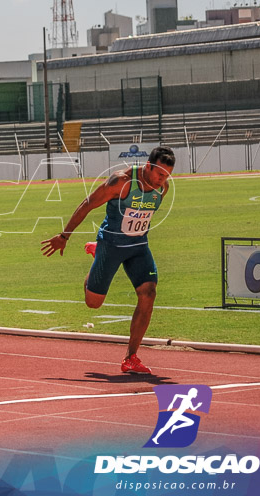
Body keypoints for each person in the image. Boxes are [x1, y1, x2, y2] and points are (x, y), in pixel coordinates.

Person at [41, 146, 176, 375]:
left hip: (138, 247)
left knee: (149, 293)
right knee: (93, 302)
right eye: (160, 174)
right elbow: (88, 203)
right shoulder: (121, 182)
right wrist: (65, 236)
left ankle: (131, 357)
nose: (163, 180)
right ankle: (96, 257)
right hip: (111, 246)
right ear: (147, 166)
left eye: (167, 175)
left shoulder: (162, 188)